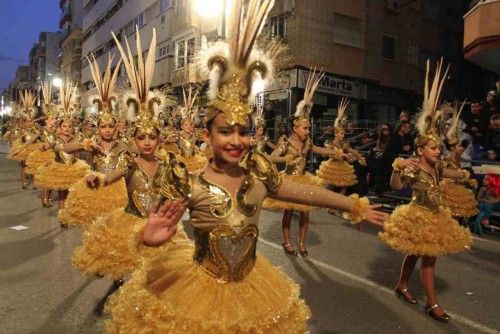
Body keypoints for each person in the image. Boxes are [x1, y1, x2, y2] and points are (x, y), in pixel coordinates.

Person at [104, 3, 387, 330]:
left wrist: (351, 203)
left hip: (251, 287)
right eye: (225, 131)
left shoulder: (259, 175)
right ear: (207, 134)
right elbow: (157, 231)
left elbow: (304, 192)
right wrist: (150, 239)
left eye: (243, 131)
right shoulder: (188, 182)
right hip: (199, 287)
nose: (235, 140)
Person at [72, 27, 187, 282]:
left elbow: (182, 190)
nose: (147, 142)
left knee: (157, 275)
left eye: (152, 137)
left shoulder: (167, 161)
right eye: (141, 137)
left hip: (158, 223)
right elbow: (112, 176)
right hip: (131, 221)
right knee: (130, 271)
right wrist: (97, 180)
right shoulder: (130, 161)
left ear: (159, 139)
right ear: (133, 140)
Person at [379, 59, 472, 323]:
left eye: (439, 148)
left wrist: (464, 174)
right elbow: (395, 187)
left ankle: (402, 285)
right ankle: (432, 304)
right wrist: (397, 168)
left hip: (435, 215)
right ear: (421, 150)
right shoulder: (412, 168)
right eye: (434, 148)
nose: (438, 151)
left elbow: (451, 172)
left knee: (416, 253)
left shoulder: (439, 168)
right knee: (428, 259)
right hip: (418, 214)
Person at [265, 69, 340, 257]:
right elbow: (271, 157)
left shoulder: (307, 142)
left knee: (306, 212)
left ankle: (301, 243)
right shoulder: (285, 141)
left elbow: (318, 150)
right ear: (296, 128)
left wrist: (335, 152)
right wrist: (285, 159)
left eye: (308, 128)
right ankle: (287, 241)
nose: (308, 131)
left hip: (304, 179)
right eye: (305, 128)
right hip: (289, 180)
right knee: (289, 213)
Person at [57, 54, 129, 228]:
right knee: (95, 228)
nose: (107, 130)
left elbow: (130, 164)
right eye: (103, 126)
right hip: (95, 188)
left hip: (117, 191)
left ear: (116, 128)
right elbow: (65, 148)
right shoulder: (91, 145)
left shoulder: (123, 146)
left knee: (114, 229)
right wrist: (84, 144)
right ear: (98, 129)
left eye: (111, 126)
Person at [34, 82, 91, 219]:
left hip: (73, 169)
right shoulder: (55, 138)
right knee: (61, 193)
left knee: (71, 192)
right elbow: (48, 145)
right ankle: (62, 215)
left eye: (69, 126)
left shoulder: (74, 138)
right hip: (59, 168)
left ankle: (69, 211)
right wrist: (43, 147)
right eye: (64, 126)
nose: (67, 128)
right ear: (60, 128)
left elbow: (82, 145)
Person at [439, 102, 479, 219]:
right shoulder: (446, 159)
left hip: (456, 189)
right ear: (452, 148)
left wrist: (465, 179)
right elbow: (442, 174)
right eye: (459, 146)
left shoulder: (459, 160)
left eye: (462, 146)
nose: (462, 148)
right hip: (446, 192)